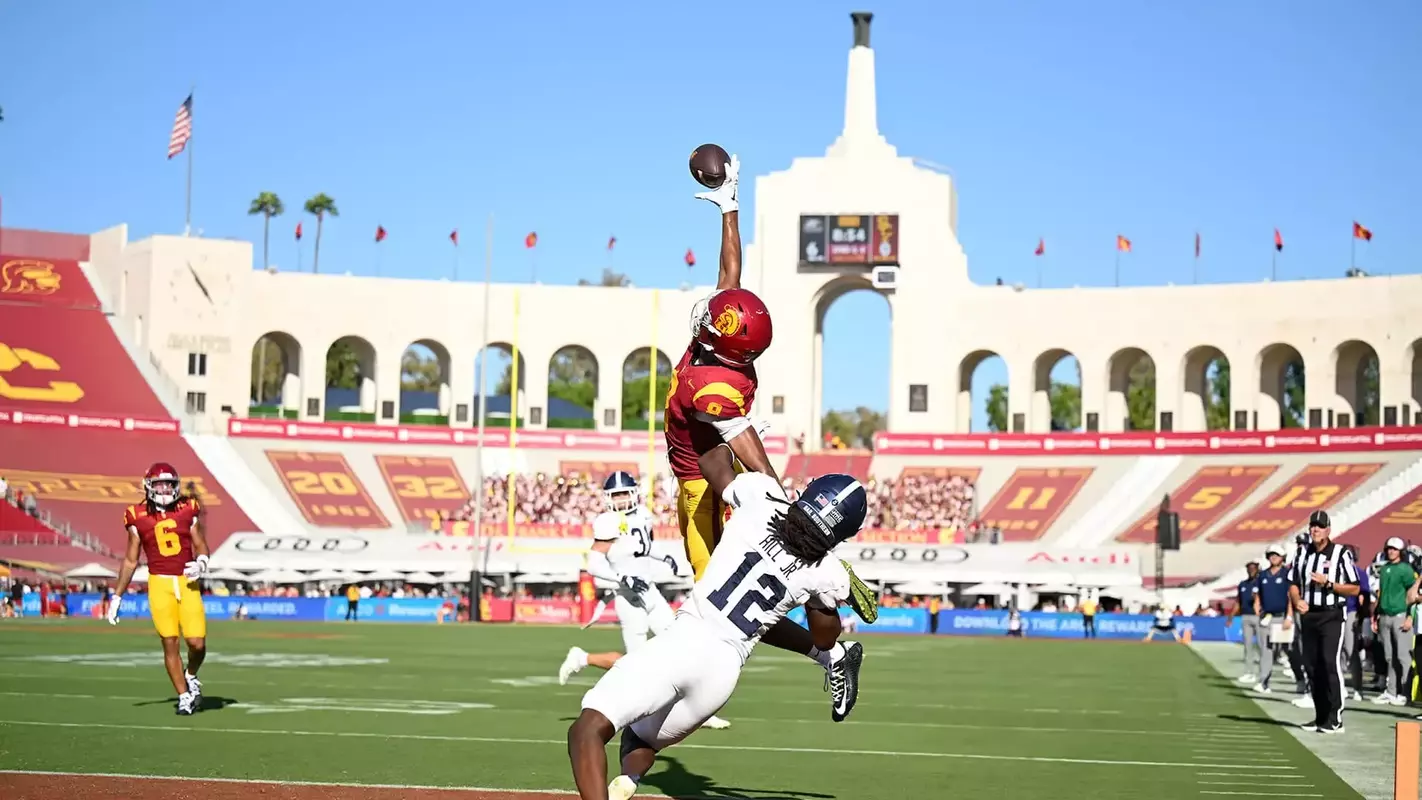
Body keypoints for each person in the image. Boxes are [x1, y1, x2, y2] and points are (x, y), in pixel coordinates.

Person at [660, 153, 872, 719]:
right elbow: (729, 277)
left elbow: (746, 448)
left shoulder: (710, 384)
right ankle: (828, 643)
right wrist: (729, 205)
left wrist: (787, 508)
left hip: (704, 484)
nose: (703, 318)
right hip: (713, 469)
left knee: (717, 601)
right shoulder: (724, 349)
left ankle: (829, 654)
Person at [565, 472, 867, 800]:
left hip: (683, 643)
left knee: (587, 730)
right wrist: (823, 590)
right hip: (719, 677)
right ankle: (628, 780)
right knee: (641, 740)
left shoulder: (761, 500)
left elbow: (713, 461)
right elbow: (825, 637)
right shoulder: (829, 572)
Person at [557, 472, 733, 731]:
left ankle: (698, 713)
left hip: (650, 591)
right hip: (628, 598)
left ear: (634, 493)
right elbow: (593, 563)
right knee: (637, 664)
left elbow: (645, 547)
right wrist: (622, 577)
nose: (620, 499)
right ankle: (585, 661)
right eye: (616, 495)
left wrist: (665, 557)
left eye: (624, 493)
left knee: (683, 646)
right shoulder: (607, 522)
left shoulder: (642, 515)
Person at [107, 462, 211, 716]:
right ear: (149, 487)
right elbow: (131, 560)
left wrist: (201, 563)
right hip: (160, 583)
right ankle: (184, 696)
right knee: (170, 642)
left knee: (197, 643)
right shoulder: (137, 515)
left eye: (169, 484)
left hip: (187, 582)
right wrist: (117, 596)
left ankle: (190, 674)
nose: (164, 490)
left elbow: (201, 544)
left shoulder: (187, 508)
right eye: (159, 485)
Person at [1288, 510, 1360, 733]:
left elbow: (1355, 588)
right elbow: (1293, 583)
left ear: (1328, 530)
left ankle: (1335, 718)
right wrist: (1297, 600)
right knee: (1311, 666)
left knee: (1329, 662)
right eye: (1312, 526)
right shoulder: (1302, 553)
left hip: (1332, 615)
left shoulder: (1340, 553)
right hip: (1309, 615)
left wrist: (1329, 584)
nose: (1315, 530)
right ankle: (1321, 717)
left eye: (1320, 526)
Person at [1371, 537, 1417, 706]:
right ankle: (1392, 691)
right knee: (1389, 657)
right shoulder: (1384, 569)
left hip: (1400, 615)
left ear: (1400, 552)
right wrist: (1375, 615)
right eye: (1389, 548)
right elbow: (1381, 593)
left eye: (1394, 549)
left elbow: (1413, 594)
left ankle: (1405, 692)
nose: (1391, 551)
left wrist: (1410, 616)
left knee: (1403, 656)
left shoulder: (1406, 570)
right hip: (1384, 615)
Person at [1253, 544, 1293, 693]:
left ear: (1282, 557)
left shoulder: (1287, 574)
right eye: (1271, 555)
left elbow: (1291, 597)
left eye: (1276, 555)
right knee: (1266, 651)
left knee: (1289, 651)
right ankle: (1264, 682)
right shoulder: (1263, 575)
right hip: (1267, 617)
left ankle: (1301, 680)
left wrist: (1289, 617)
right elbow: (1258, 594)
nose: (1273, 557)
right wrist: (1257, 607)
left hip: (1282, 617)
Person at [1235, 559, 1262, 684]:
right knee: (1247, 646)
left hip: (1258, 616)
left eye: (1253, 568)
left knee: (1261, 646)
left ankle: (1262, 673)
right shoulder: (1242, 584)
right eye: (1249, 569)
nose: (1251, 571)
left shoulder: (1260, 582)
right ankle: (1249, 672)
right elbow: (1238, 601)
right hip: (1245, 616)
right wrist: (1231, 617)